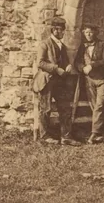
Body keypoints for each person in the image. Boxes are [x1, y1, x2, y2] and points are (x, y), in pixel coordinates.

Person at [33, 14, 77, 145]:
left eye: (62, 30)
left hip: (60, 82)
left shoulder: (62, 46)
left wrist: (68, 66)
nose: (61, 32)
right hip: (47, 81)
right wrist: (57, 69)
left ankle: (66, 137)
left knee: (65, 108)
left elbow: (65, 61)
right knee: (45, 109)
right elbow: (40, 63)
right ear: (53, 30)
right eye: (59, 30)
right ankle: (45, 136)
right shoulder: (45, 44)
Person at [73, 22, 104, 144]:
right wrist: (82, 68)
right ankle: (102, 133)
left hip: (102, 80)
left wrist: (92, 65)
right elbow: (77, 62)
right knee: (94, 106)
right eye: (86, 32)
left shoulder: (102, 45)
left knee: (100, 105)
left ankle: (94, 134)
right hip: (89, 80)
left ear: (95, 33)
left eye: (90, 32)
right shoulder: (82, 46)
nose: (88, 35)